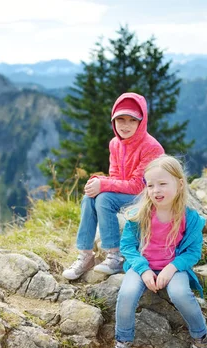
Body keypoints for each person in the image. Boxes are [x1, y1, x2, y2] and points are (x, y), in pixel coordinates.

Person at [101, 155, 207, 348]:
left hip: (174, 267)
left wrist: (171, 268)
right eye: (150, 185)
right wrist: (143, 270)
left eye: (163, 184)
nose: (156, 190)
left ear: (179, 184)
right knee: (127, 293)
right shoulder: (139, 214)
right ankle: (123, 343)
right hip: (143, 266)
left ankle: (201, 338)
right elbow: (129, 247)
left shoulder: (190, 219)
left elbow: (192, 253)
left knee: (180, 293)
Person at [62, 93, 164, 280]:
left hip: (146, 197)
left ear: (141, 122)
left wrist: (104, 184)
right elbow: (116, 177)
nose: (125, 125)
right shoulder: (115, 144)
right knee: (89, 197)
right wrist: (99, 184)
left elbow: (136, 186)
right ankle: (85, 255)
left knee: (104, 197)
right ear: (113, 121)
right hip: (126, 195)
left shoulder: (152, 147)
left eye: (132, 120)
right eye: (120, 119)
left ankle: (115, 256)